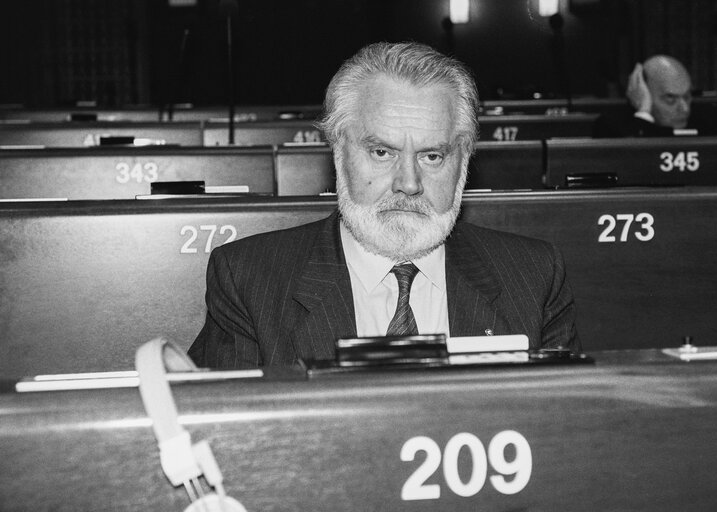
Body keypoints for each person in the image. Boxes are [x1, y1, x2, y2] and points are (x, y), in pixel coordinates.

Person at [188, 42, 580, 368]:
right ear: (339, 153)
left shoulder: (534, 276)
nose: (408, 183)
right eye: (381, 152)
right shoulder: (248, 280)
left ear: (463, 161)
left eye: (432, 156)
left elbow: (564, 440)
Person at [593, 55, 717, 137]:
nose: (685, 109)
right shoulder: (611, 127)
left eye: (687, 96)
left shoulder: (711, 119)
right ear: (643, 92)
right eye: (670, 98)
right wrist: (644, 111)